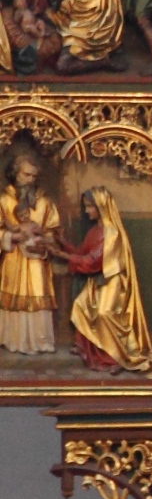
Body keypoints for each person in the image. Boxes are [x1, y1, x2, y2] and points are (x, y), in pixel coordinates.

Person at [59, 185, 152, 374]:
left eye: (90, 207)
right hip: (99, 280)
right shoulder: (95, 230)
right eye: (86, 206)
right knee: (80, 305)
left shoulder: (111, 233)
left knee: (103, 314)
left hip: (113, 281)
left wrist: (61, 255)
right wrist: (62, 244)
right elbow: (82, 253)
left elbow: (92, 261)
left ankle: (115, 356)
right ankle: (89, 350)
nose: (87, 211)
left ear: (101, 206)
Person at [0, 147, 61, 355]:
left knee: (37, 295)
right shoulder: (4, 201)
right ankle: (12, 340)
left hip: (37, 262)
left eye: (34, 176)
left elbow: (55, 234)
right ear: (14, 174)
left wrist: (44, 244)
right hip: (12, 259)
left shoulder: (44, 203)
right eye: (26, 174)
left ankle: (38, 341)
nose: (30, 180)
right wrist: (11, 237)